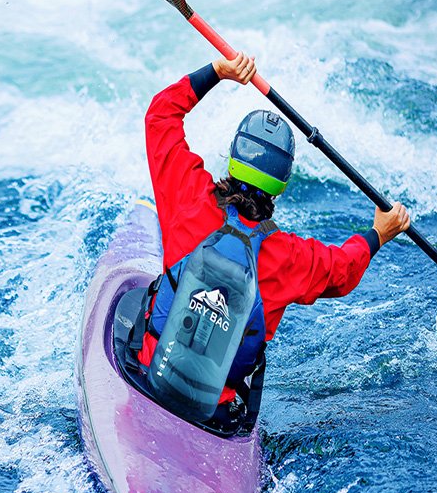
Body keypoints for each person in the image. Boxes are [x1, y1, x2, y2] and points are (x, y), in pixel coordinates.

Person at [133, 53, 411, 431]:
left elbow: (160, 116)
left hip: (150, 373)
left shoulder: (188, 197)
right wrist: (378, 233)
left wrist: (217, 72)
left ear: (233, 157)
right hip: (214, 410)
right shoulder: (290, 257)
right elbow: (343, 269)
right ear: (281, 185)